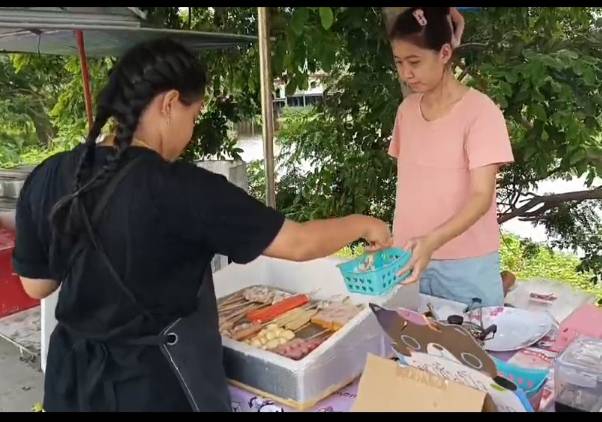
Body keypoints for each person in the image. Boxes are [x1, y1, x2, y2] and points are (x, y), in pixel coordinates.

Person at [12, 38, 392, 412]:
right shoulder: (183, 189)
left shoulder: (50, 174)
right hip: (152, 387)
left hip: (72, 381)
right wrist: (364, 224)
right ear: (169, 103)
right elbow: (299, 243)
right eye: (193, 117)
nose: (191, 131)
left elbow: (37, 285)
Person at [387, 7, 514, 307]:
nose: (406, 73)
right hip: (407, 257)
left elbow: (481, 197)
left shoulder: (481, 112)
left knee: (474, 336)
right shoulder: (406, 111)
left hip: (465, 265)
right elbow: (412, 186)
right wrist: (395, 243)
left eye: (414, 62)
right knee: (407, 336)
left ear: (445, 53)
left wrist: (432, 241)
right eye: (399, 62)